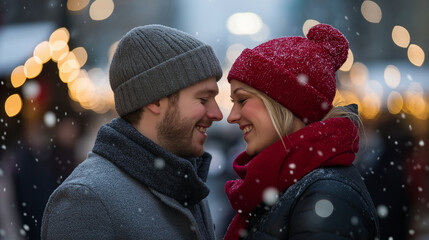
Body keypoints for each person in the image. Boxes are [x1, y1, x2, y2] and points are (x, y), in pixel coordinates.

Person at [41, 24, 223, 240]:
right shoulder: (86, 201)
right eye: (203, 99)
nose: (218, 114)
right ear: (155, 100)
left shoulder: (185, 181)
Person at [224, 24, 380, 240]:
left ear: (283, 103)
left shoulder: (326, 194)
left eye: (241, 100)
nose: (231, 116)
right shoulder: (293, 183)